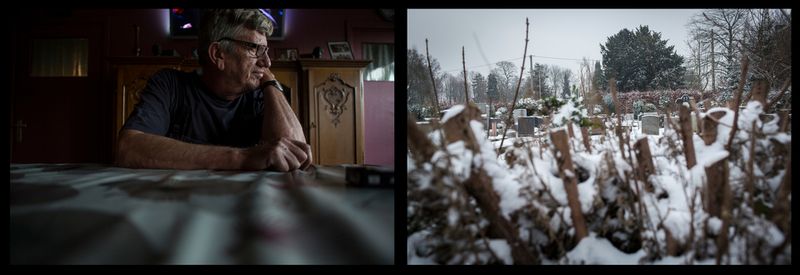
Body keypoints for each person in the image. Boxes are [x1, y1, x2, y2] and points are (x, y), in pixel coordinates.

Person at [116, 9, 311, 172]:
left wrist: (270, 82)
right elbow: (128, 149)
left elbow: (297, 156)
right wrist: (243, 157)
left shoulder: (262, 95)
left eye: (265, 50)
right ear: (218, 54)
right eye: (255, 49)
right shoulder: (170, 85)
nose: (267, 62)